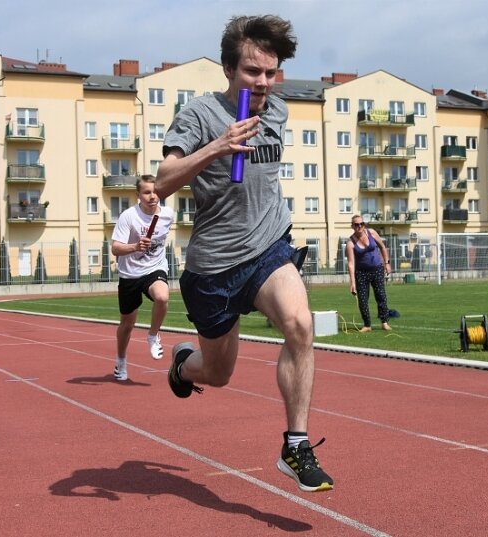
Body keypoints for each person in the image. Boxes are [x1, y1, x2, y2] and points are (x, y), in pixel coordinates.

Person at [155, 15, 333, 492]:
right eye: (254, 71)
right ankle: (182, 364)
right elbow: (164, 181)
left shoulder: (277, 110)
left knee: (300, 324)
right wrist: (216, 147)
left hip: (268, 245)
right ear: (229, 69)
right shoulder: (198, 114)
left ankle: (296, 445)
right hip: (213, 267)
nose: (263, 83)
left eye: (271, 73)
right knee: (218, 373)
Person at [110, 175, 174, 381]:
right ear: (138, 195)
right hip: (129, 274)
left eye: (155, 191)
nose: (152, 196)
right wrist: (135, 247)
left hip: (154, 268)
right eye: (147, 192)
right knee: (127, 324)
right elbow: (115, 249)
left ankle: (153, 335)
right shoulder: (128, 216)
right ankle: (121, 360)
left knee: (162, 297)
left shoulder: (168, 215)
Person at [345, 215, 392, 332]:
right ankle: (367, 325)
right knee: (363, 299)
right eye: (356, 224)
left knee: (381, 296)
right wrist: (352, 283)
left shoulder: (371, 233)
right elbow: (351, 263)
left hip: (377, 269)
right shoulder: (350, 243)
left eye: (362, 224)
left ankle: (384, 322)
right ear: (352, 226)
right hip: (361, 273)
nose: (359, 226)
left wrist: (386, 263)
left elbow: (382, 247)